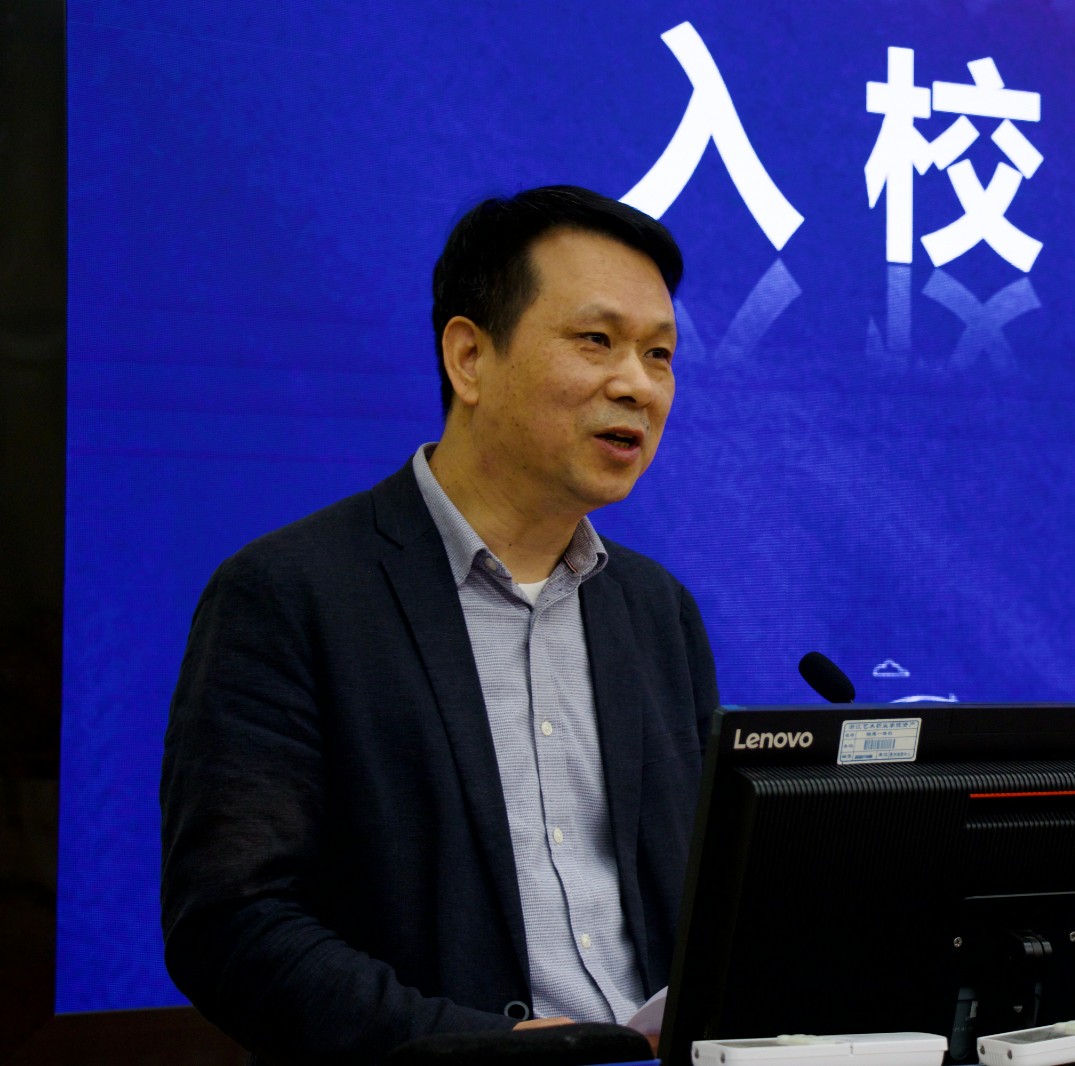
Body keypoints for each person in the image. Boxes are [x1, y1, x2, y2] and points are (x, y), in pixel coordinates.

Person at [160, 186, 718, 1063]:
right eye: (596, 341)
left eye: (660, 354)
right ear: (469, 357)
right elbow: (232, 922)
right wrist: (470, 1046)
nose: (637, 385)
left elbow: (698, 899)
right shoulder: (290, 594)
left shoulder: (658, 612)